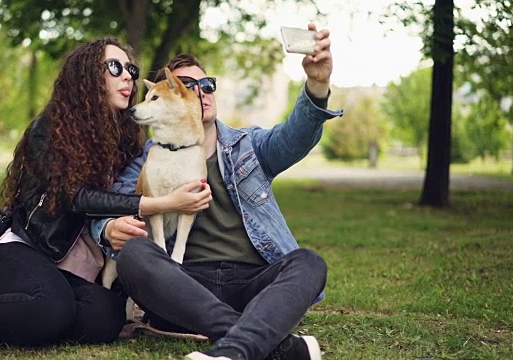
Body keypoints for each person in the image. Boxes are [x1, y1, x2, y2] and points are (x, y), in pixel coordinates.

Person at [0, 36, 211, 357]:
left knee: (106, 319)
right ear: (88, 76)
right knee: (51, 309)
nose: (128, 75)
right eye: (115, 67)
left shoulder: (127, 138)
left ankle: (6, 315)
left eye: (131, 70)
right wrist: (159, 204)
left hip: (77, 270)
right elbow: (77, 198)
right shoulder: (50, 129)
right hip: (27, 252)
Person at [92, 24, 344, 360]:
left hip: (254, 284)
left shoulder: (249, 146)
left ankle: (233, 348)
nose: (198, 92)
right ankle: (270, 343)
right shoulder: (147, 158)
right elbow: (110, 208)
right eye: (185, 87)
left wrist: (317, 84)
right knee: (136, 254)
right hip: (182, 286)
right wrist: (108, 228)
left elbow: (295, 137)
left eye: (206, 84)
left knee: (309, 262)